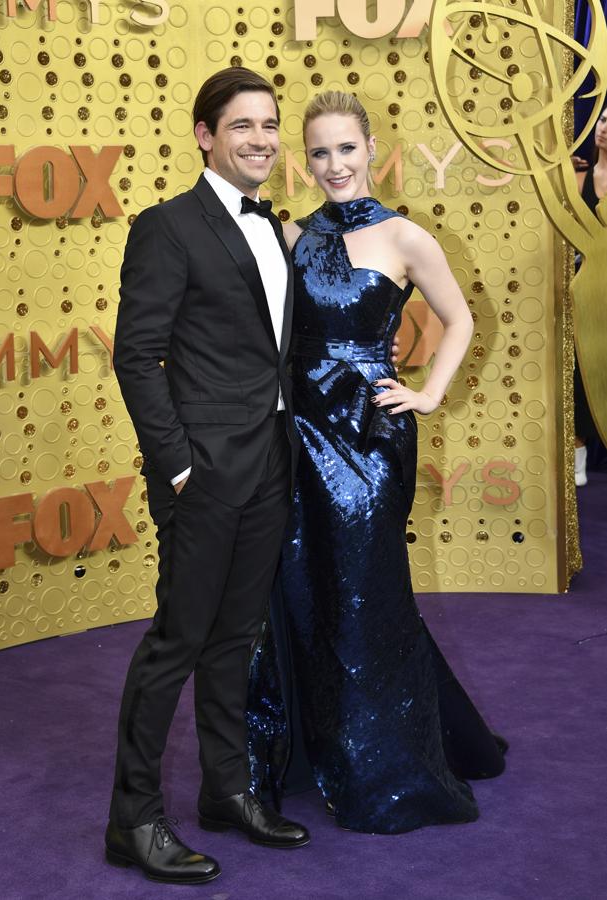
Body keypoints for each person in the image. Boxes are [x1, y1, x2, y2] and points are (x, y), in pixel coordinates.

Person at [247, 91, 506, 835]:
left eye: (345, 148)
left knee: (366, 591)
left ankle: (384, 764)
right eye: (319, 152)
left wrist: (427, 393)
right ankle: (314, 748)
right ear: (305, 159)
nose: (334, 164)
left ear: (370, 149)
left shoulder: (406, 236)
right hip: (296, 432)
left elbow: (461, 318)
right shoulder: (291, 235)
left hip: (368, 438)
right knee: (302, 584)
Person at [106, 67, 310, 885]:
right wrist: (180, 466)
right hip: (204, 472)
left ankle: (227, 790)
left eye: (269, 124)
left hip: (269, 460)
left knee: (236, 637)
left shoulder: (277, 227)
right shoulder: (167, 226)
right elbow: (136, 354)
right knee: (178, 642)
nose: (261, 139)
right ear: (204, 135)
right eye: (241, 126)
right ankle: (133, 819)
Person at [573, 106, 607, 486]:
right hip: (581, 289)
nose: (605, 129)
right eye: (604, 120)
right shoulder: (578, 176)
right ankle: (578, 452)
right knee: (580, 369)